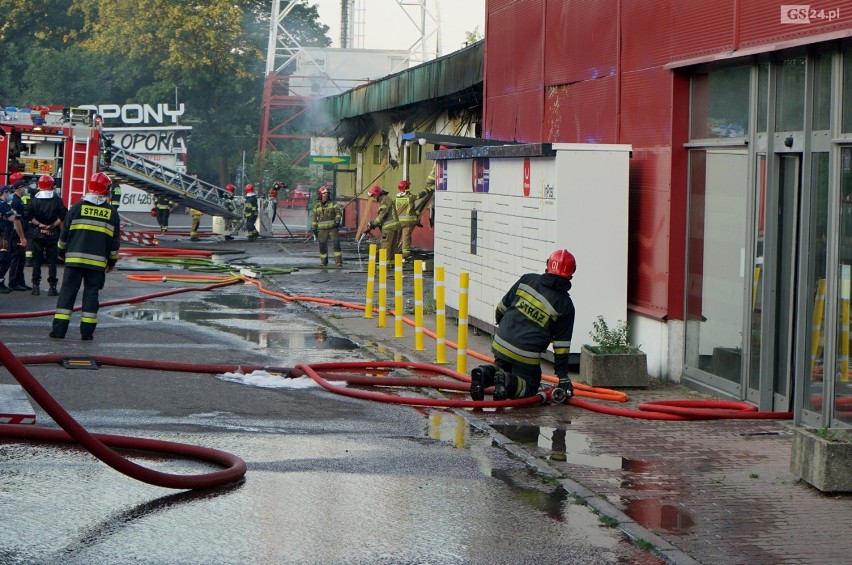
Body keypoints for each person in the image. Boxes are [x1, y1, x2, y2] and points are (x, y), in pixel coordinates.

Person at [469, 249, 577, 401]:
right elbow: (561, 346)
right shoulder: (566, 305)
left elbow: (501, 309)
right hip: (526, 355)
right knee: (531, 386)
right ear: (571, 275)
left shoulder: (527, 280)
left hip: (501, 342)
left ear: (548, 266)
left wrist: (505, 330)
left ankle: (482, 374)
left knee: (500, 369)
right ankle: (506, 382)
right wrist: (563, 377)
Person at [50, 171, 120, 340]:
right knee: (91, 295)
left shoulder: (76, 208)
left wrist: (60, 252)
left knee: (67, 294)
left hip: (74, 260)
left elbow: (64, 235)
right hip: (97, 264)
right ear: (106, 190)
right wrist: (112, 261)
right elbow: (114, 242)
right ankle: (87, 334)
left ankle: (59, 332)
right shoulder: (111, 213)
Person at [27, 175, 67, 296]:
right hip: (52, 233)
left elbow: (28, 215)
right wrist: (52, 226)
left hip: (37, 233)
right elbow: (63, 215)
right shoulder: (57, 199)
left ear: (39, 185)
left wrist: (40, 225)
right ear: (52, 185)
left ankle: (35, 287)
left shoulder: (34, 199)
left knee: (36, 261)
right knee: (52, 262)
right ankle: (52, 288)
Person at [394, 179, 434, 261]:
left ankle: (393, 252)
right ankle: (405, 255)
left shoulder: (397, 198)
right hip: (408, 222)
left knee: (396, 238)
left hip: (398, 222)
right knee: (406, 238)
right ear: (406, 188)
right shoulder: (409, 197)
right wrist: (428, 189)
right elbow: (420, 195)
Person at [0, 185, 27, 294]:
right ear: (5, 192)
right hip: (4, 235)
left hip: (4, 234)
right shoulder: (3, 204)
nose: (11, 195)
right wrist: (14, 213)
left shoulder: (4, 204)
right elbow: (12, 217)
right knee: (5, 259)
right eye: (9, 193)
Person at [7, 176, 31, 291]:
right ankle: (13, 282)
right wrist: (22, 237)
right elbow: (17, 221)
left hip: (19, 233)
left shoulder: (18, 200)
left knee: (21, 258)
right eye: (25, 187)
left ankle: (20, 281)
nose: (26, 189)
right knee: (16, 258)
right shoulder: (16, 202)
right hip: (16, 235)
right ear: (20, 188)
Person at [311, 185, 343, 267]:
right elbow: (314, 218)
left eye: (327, 195)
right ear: (320, 195)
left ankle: (338, 262)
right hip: (322, 230)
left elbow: (339, 213)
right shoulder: (317, 206)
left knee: (336, 245)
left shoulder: (333, 204)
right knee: (322, 246)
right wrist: (314, 229)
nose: (325, 196)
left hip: (333, 228)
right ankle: (323, 262)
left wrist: (337, 220)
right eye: (324, 195)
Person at [367, 185, 401, 256]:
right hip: (394, 226)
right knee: (392, 248)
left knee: (385, 247)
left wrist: (374, 223)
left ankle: (384, 265)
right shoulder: (386, 199)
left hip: (389, 227)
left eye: (373, 195)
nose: (373, 197)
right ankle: (392, 265)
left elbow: (383, 214)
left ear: (377, 194)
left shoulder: (384, 200)